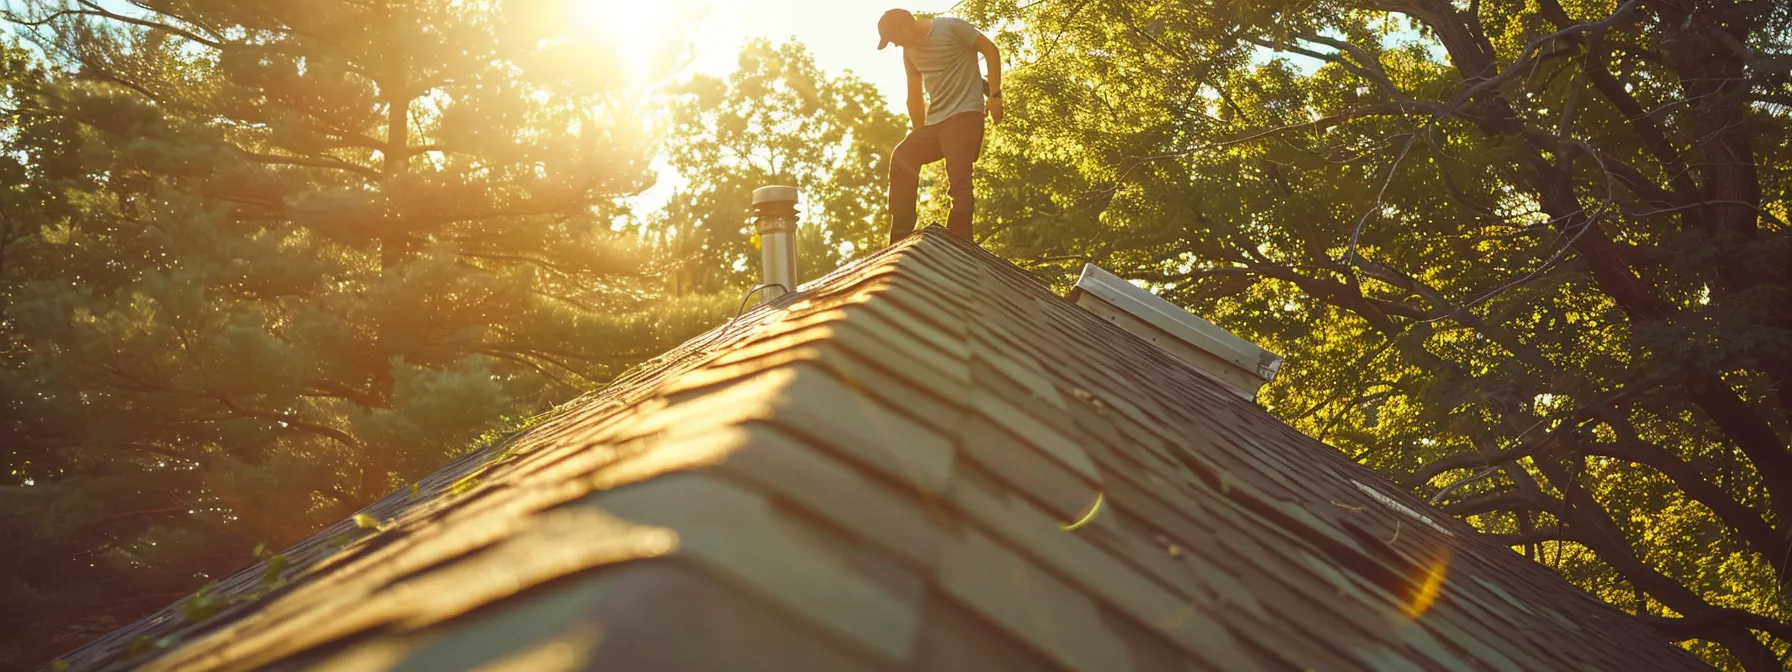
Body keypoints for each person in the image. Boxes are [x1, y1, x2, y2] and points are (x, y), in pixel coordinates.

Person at [877, 8, 1002, 244]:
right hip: (936, 123)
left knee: (959, 177)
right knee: (903, 155)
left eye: (894, 39)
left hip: (965, 115)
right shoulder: (909, 52)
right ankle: (901, 232)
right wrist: (918, 131)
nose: (896, 45)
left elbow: (990, 50)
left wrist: (995, 96)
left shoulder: (951, 28)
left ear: (907, 26)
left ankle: (960, 242)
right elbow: (913, 94)